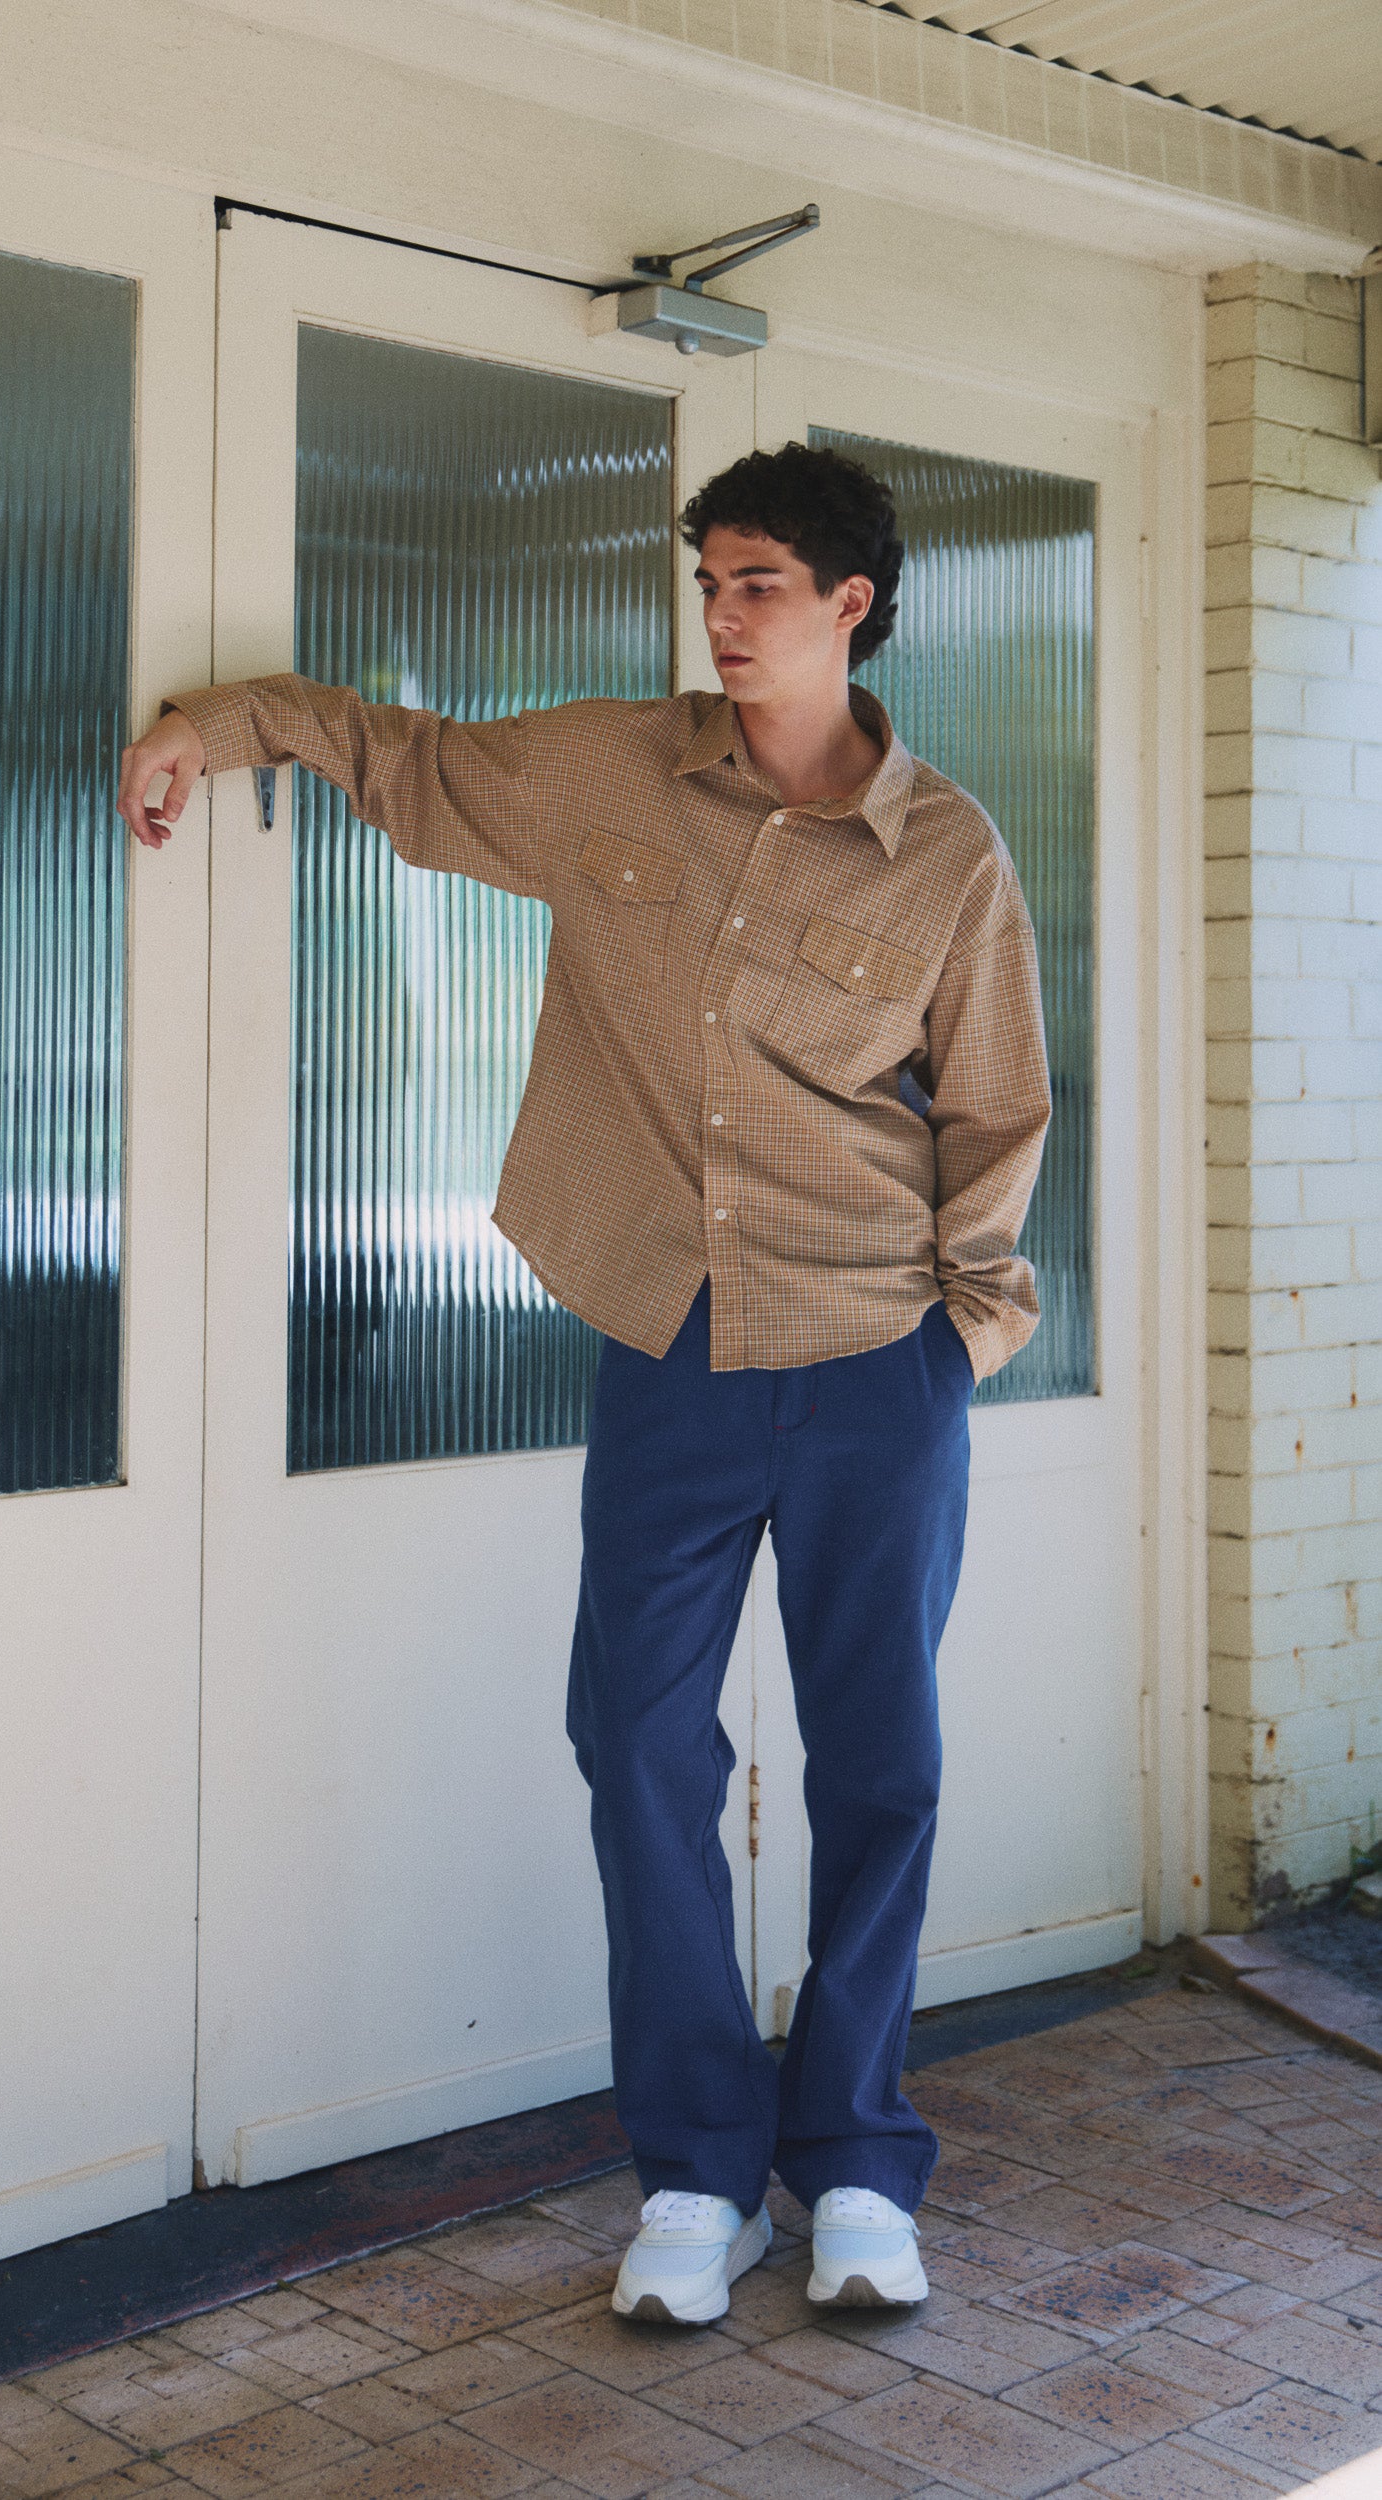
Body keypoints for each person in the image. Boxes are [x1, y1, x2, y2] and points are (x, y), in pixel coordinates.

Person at [118, 439, 1051, 2325]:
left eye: (759, 585)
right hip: (670, 1346)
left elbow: (1000, 1107)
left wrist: (964, 1337)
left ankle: (858, 2161)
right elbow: (411, 759)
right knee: (637, 1746)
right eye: (708, 581)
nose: (722, 616)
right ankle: (699, 2173)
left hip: (878, 1352)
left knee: (881, 1764)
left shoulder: (949, 854)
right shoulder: (616, 768)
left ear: (853, 605)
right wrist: (218, 725)